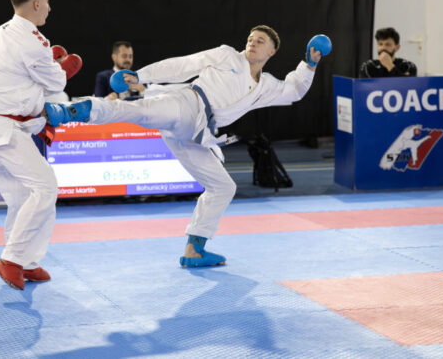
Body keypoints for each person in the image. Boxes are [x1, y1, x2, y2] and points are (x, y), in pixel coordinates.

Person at [44, 26, 331, 268]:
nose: (252, 43)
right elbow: (183, 65)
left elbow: (294, 90)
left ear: (272, 51)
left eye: (260, 41)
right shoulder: (227, 55)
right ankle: (73, 111)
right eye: (250, 38)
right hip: (187, 103)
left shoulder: (265, 86)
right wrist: (141, 76)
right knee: (138, 111)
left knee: (223, 187)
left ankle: (195, 249)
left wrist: (309, 65)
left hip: (197, 133)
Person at [0, 0, 81, 290]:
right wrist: (64, 67)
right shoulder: (33, 40)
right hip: (5, 131)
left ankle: (26, 262)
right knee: (45, 188)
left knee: (21, 199)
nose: (50, 8)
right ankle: (12, 260)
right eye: (47, 2)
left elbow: (23, 79)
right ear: (36, 3)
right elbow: (55, 83)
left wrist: (52, 64)